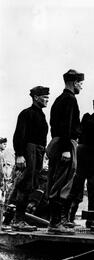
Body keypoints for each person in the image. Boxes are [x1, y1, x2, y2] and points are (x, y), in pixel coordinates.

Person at [46, 69, 84, 235]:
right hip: (66, 144)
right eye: (81, 84)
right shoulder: (70, 100)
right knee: (62, 183)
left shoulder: (59, 100)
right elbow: (66, 126)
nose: (81, 87)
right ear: (74, 83)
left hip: (59, 143)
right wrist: (67, 149)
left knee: (58, 182)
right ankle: (55, 223)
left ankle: (59, 220)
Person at [9, 86, 50, 232]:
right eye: (44, 97)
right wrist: (20, 154)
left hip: (38, 151)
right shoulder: (26, 113)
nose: (47, 99)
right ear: (35, 97)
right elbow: (19, 135)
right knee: (25, 184)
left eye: (47, 97)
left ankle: (20, 220)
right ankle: (17, 220)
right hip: (29, 150)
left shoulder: (41, 115)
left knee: (31, 185)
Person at [68, 99, 94, 226]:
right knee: (76, 188)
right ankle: (69, 217)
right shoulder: (87, 118)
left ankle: (91, 219)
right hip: (83, 154)